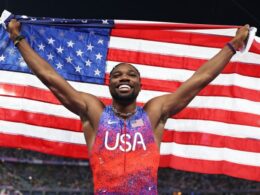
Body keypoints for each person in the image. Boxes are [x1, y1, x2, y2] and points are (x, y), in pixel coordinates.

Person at [6, 19, 249, 194]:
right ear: (109, 83)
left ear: (140, 85)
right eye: (117, 74)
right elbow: (51, 79)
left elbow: (198, 80)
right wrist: (18, 39)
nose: (124, 77)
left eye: (131, 75)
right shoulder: (94, 112)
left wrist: (232, 46)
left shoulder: (154, 113)